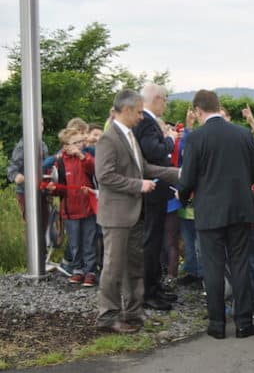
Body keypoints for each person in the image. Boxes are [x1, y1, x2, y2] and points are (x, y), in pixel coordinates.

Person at [178, 89, 254, 340]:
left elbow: (187, 179)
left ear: (197, 110)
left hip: (209, 211)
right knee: (240, 265)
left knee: (213, 267)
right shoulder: (242, 133)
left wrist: (183, 196)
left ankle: (216, 324)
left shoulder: (195, 138)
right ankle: (244, 323)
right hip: (240, 209)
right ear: (218, 106)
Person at [95, 89, 179, 334]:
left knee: (134, 265)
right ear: (128, 110)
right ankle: (108, 317)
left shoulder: (130, 136)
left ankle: (134, 312)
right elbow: (105, 176)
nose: (142, 116)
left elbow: (144, 167)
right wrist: (138, 185)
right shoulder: (108, 139)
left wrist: (179, 173)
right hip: (117, 216)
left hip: (133, 213)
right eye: (140, 111)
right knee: (113, 267)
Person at [132, 83, 179, 311]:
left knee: (155, 240)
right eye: (166, 100)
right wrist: (169, 140)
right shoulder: (149, 123)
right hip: (154, 189)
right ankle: (149, 292)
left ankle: (154, 286)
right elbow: (153, 151)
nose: (166, 105)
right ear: (158, 99)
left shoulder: (144, 121)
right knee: (152, 241)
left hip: (152, 189)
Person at [50, 128, 97, 287]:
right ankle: (77, 270)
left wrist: (82, 155)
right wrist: (53, 188)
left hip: (88, 208)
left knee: (89, 241)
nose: (80, 145)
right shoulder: (60, 162)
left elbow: (94, 169)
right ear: (65, 146)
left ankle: (90, 271)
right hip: (70, 210)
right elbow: (59, 187)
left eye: (80, 142)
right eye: (75, 143)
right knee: (75, 243)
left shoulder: (86, 157)